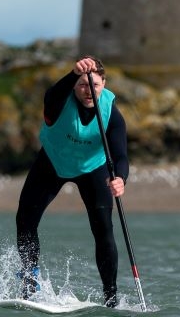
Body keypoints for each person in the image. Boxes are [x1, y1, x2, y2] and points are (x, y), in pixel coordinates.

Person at [16, 56, 129, 307]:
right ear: (74, 86)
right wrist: (72, 73)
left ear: (105, 84)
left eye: (95, 86)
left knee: (103, 229)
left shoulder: (111, 113)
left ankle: (111, 296)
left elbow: (120, 155)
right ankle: (28, 281)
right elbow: (50, 95)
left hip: (93, 168)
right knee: (25, 220)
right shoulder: (59, 103)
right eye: (82, 85)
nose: (89, 91)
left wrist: (120, 178)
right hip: (52, 163)